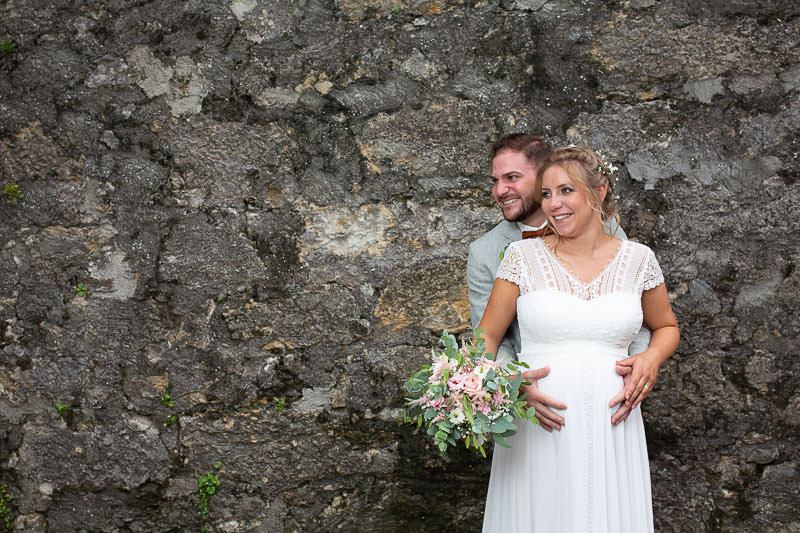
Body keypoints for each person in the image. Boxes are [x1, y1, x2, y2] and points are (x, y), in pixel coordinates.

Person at [479, 146, 680, 532]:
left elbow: (667, 327)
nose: (554, 205)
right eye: (547, 195)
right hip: (540, 423)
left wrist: (651, 360)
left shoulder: (639, 259)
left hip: (613, 426)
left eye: (566, 191)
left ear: (598, 193)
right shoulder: (522, 257)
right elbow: (486, 335)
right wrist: (505, 384)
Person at [467, 134, 649, 431]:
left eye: (512, 178)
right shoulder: (485, 252)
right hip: (538, 406)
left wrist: (636, 369)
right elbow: (488, 337)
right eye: (495, 180)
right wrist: (513, 384)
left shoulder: (606, 229)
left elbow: (634, 308)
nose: (500, 190)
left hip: (611, 401)